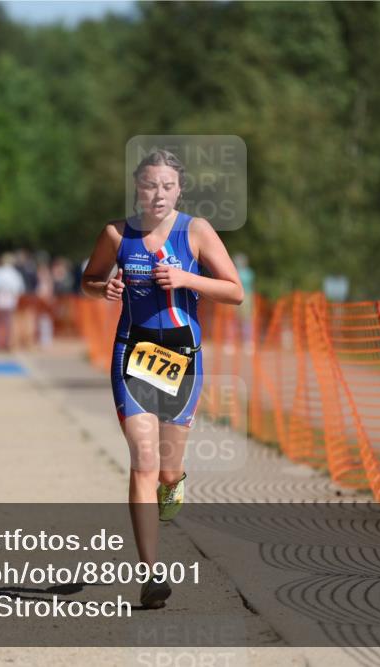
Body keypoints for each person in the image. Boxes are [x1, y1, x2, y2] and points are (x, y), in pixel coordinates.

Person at [80, 148, 243, 609]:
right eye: (150, 185)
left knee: (166, 470)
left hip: (180, 357)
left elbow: (235, 291)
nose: (158, 194)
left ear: (179, 189)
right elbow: (88, 280)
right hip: (131, 353)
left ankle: (176, 481)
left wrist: (187, 280)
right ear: (137, 186)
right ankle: (150, 575)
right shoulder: (116, 234)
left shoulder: (196, 232)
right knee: (143, 462)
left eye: (167, 186)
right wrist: (103, 287)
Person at [0, 253, 25, 352]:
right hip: (10, 300)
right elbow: (20, 288)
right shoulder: (14, 273)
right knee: (8, 323)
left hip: (0, 299)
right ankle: (7, 343)